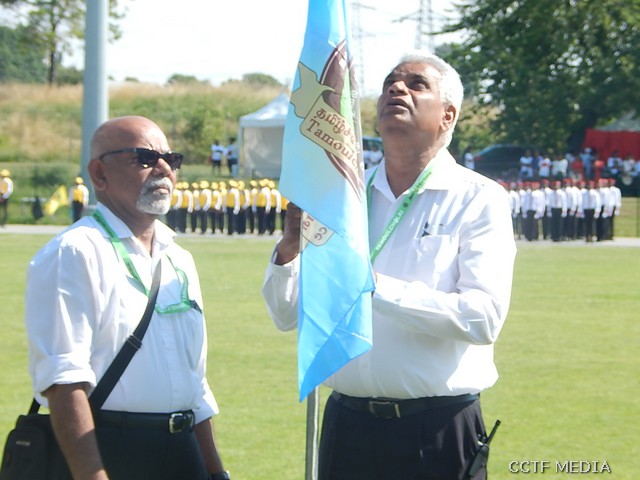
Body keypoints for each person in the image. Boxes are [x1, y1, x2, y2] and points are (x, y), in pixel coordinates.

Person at [262, 51, 516, 479]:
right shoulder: (342, 198)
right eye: (389, 84)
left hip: (436, 431)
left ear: (448, 115)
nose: (396, 88)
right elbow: (286, 315)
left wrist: (370, 285)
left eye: (417, 84)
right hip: (347, 428)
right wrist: (289, 250)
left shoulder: (478, 198)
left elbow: (482, 319)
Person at [24, 116, 230, 480]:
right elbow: (64, 380)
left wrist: (216, 472)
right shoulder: (75, 252)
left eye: (172, 159)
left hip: (183, 450)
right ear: (99, 174)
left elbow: (194, 383)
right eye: (145, 158)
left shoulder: (179, 259)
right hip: (108, 449)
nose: (164, 169)